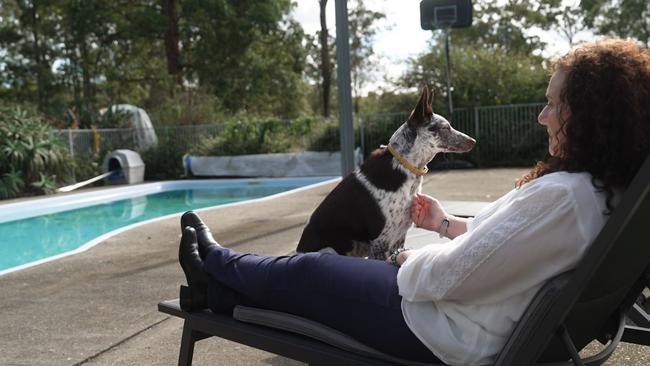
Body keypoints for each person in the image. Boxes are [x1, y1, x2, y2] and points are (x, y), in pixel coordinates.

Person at [177, 38, 650, 366]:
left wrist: (405, 261)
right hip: (472, 319)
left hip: (439, 328)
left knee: (309, 272)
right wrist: (446, 226)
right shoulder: (596, 191)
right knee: (311, 279)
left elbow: (448, 276)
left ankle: (216, 262)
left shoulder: (563, 198)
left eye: (554, 104)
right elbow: (511, 250)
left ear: (591, 117)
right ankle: (214, 290)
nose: (542, 116)